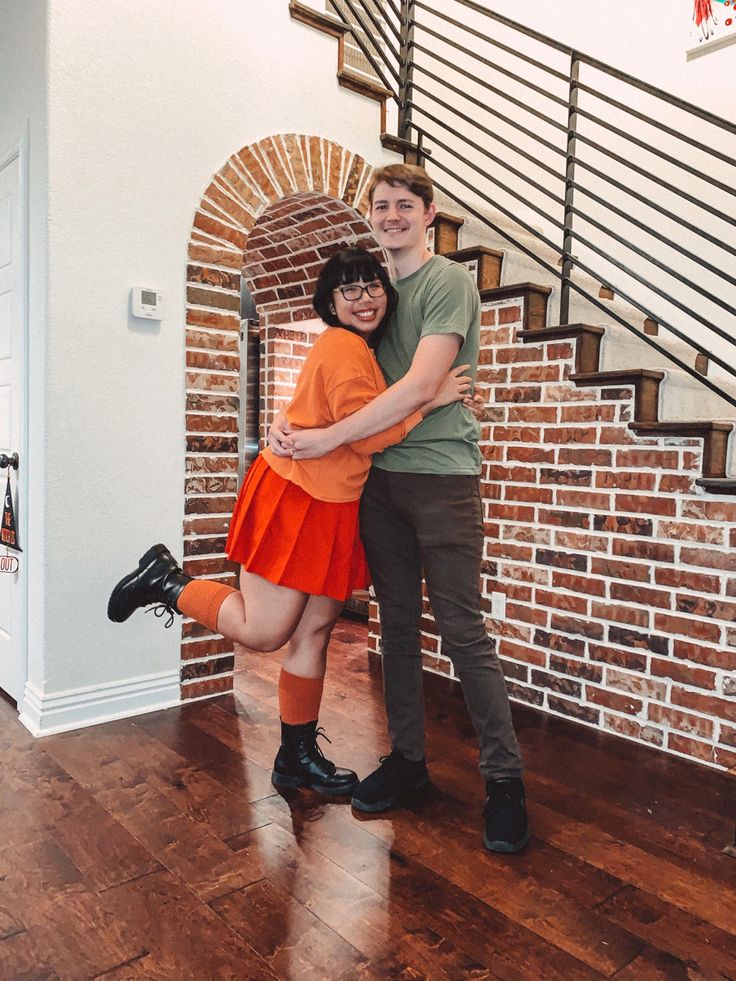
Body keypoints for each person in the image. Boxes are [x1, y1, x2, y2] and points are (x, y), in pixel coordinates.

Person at [107, 247, 471, 800]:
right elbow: (367, 434)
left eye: (372, 286)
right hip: (297, 498)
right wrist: (432, 400)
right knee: (266, 630)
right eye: (348, 290)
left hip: (334, 504)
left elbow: (329, 416)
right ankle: (165, 580)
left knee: (315, 632)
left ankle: (295, 757)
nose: (364, 298)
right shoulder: (345, 344)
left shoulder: (361, 351)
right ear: (329, 302)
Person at [270, 164, 529, 853]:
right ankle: (409, 762)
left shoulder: (447, 281)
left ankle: (504, 782)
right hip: (378, 485)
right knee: (398, 629)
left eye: (404, 205)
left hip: (442, 478)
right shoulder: (375, 294)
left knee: (463, 630)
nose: (391, 215)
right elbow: (342, 381)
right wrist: (289, 427)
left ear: (428, 212)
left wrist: (324, 437)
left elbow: (418, 386)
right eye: (381, 205)